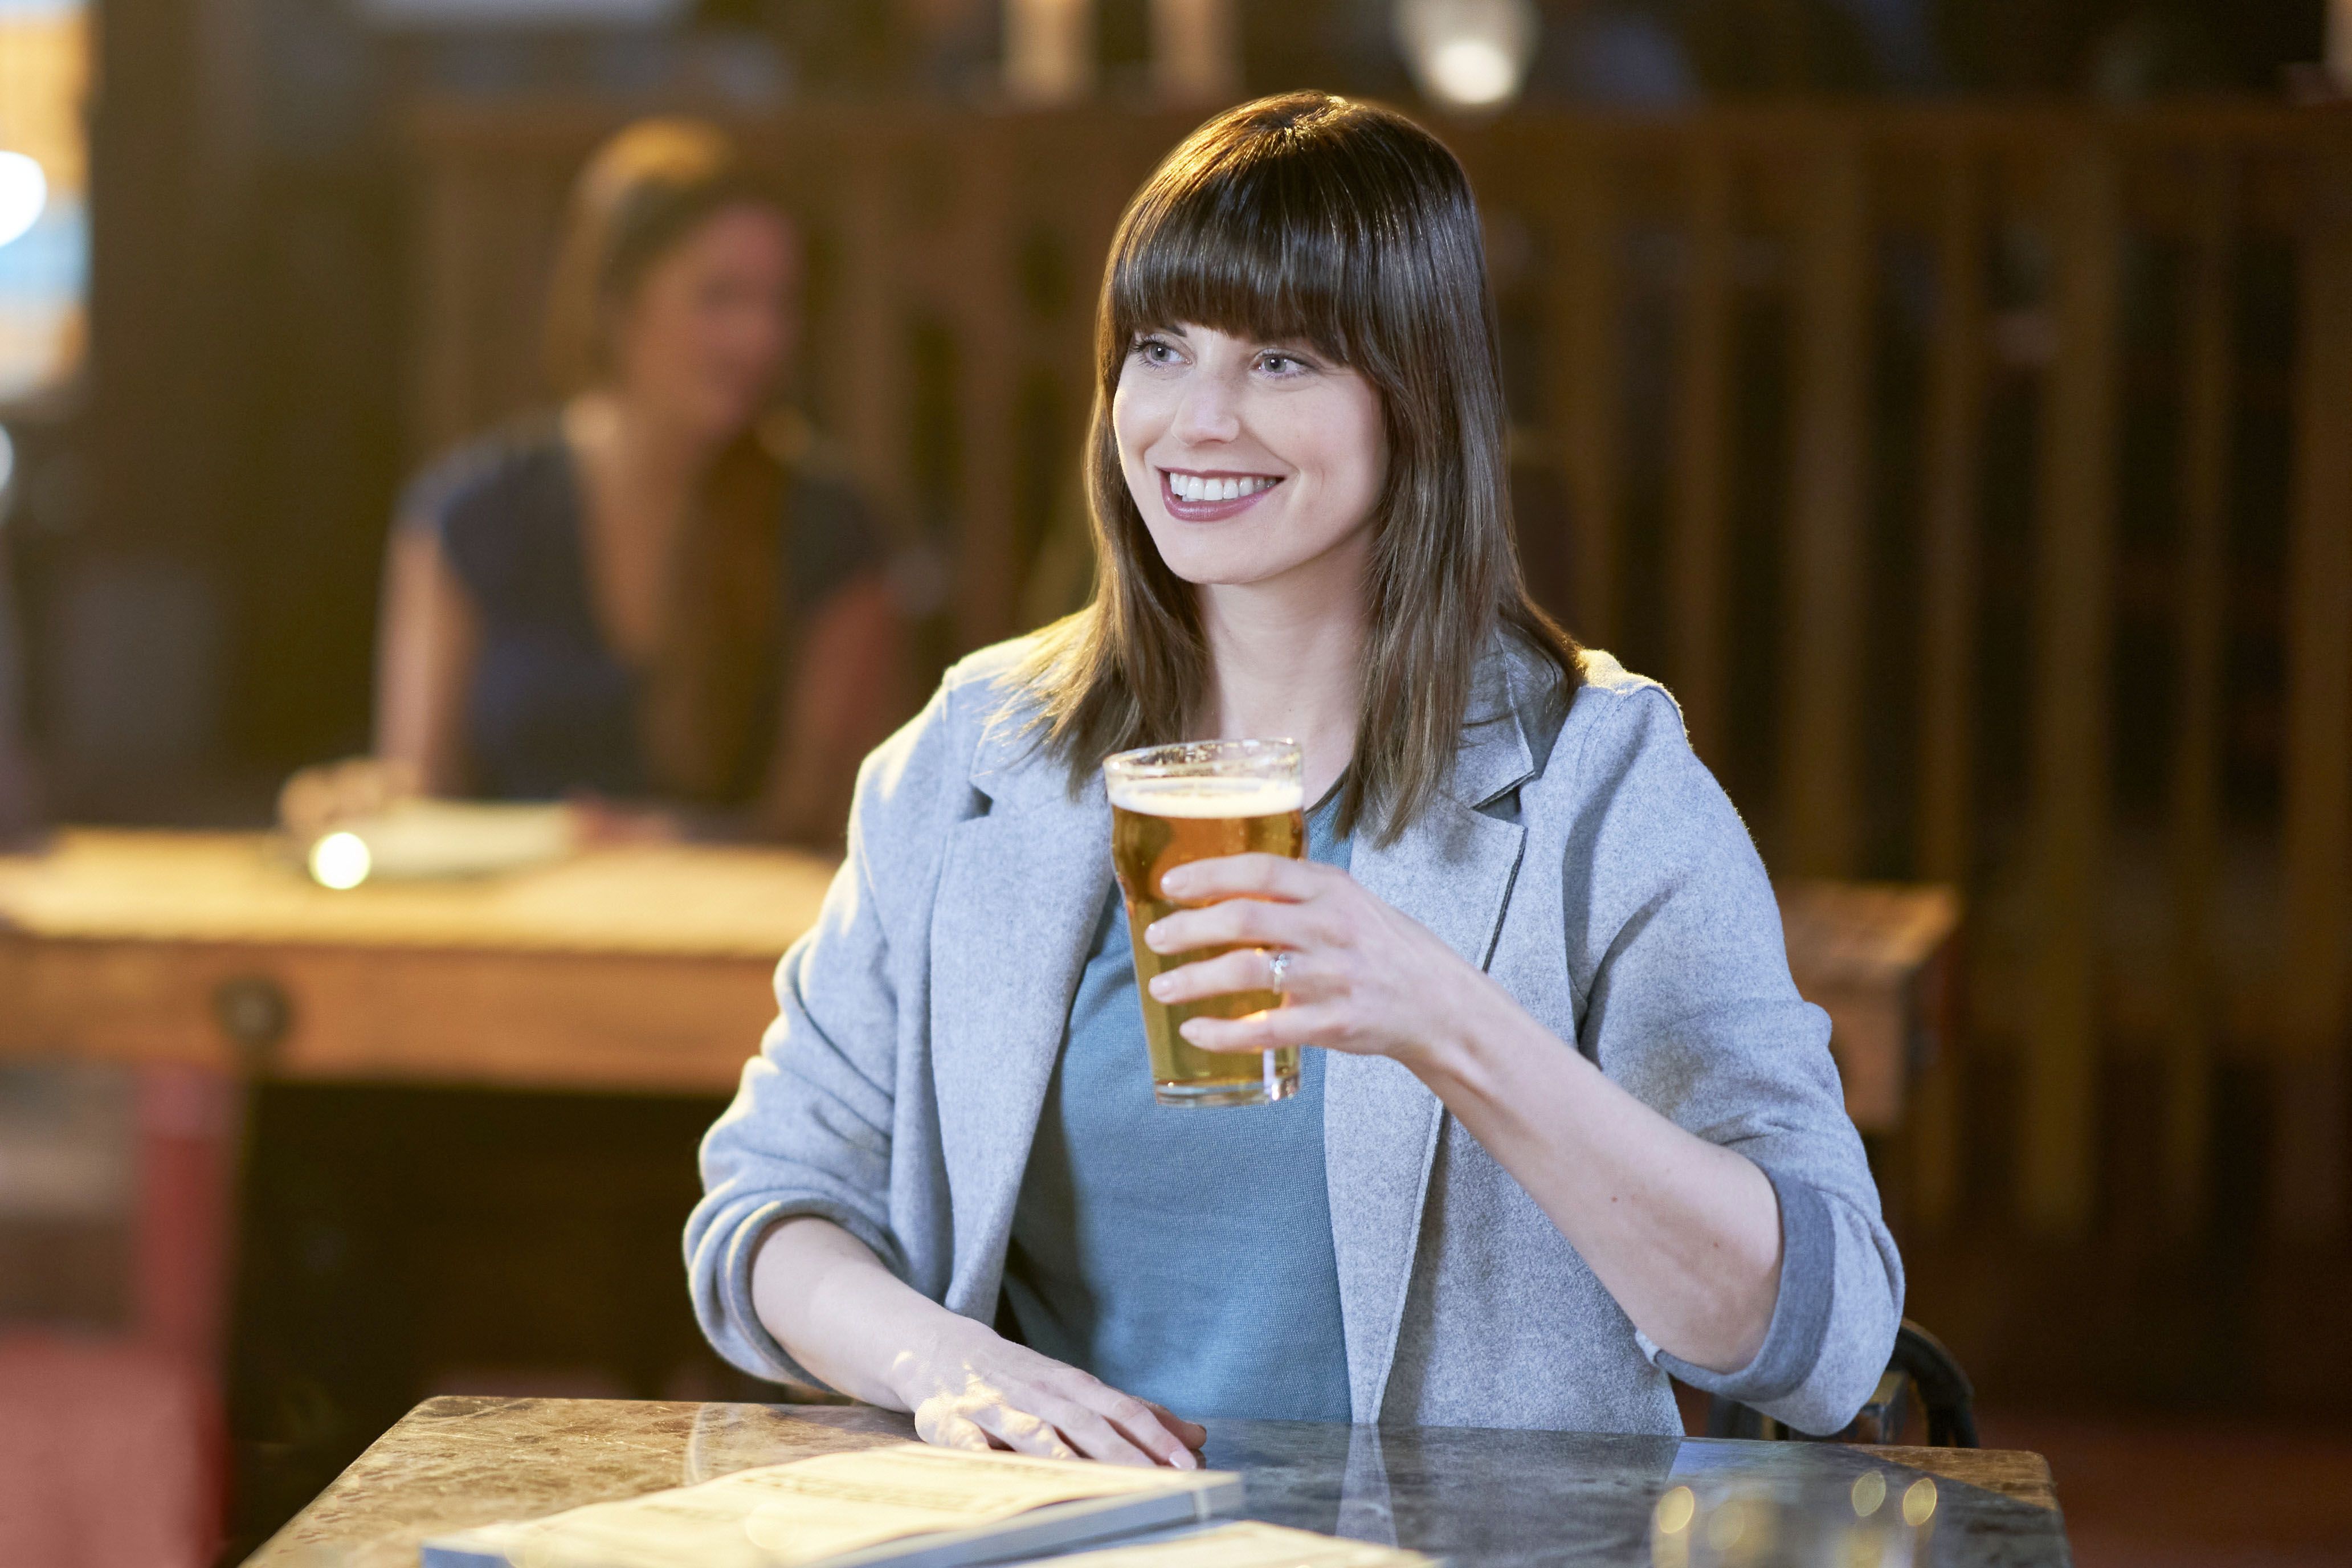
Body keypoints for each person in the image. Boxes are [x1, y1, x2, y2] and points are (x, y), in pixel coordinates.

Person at [687, 92, 1901, 1462]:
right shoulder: (979, 750)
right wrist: (951, 1366)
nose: (1196, 420)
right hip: (1048, 1547)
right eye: (1159, 348)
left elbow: (1827, 1333)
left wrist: (1446, 1019)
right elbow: (770, 1202)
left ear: (1416, 398)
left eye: (1283, 362)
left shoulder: (1598, 781)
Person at [283, 119, 903, 847]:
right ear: (616, 305)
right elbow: (425, 790)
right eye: (722, 298)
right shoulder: (472, 514)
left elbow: (830, 828)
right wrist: (365, 805)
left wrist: (647, 843)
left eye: (779, 303)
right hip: (513, 940)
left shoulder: (830, 529)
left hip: (740, 943)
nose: (761, 338)